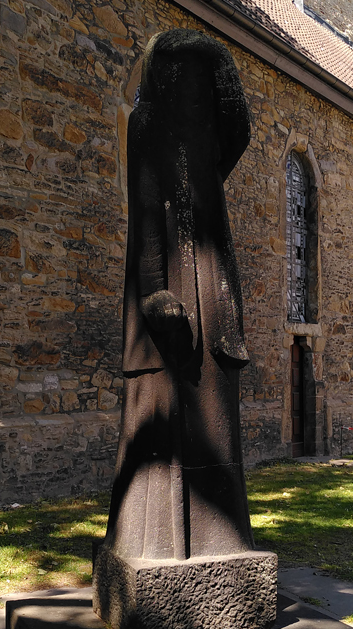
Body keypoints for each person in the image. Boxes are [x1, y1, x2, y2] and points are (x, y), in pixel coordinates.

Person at [102, 29, 258, 562]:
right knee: (159, 413)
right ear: (169, 75)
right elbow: (144, 216)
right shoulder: (146, 124)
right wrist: (152, 292)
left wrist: (222, 58)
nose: (205, 89)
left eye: (209, 78)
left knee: (215, 410)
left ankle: (224, 540)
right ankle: (150, 543)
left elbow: (242, 128)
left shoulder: (210, 139)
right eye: (195, 75)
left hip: (210, 287)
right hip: (167, 286)